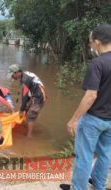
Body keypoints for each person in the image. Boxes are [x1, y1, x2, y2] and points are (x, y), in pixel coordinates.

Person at [60, 24, 111, 190]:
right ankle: (98, 186)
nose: (90, 45)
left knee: (84, 156)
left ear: (97, 41)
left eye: (90, 42)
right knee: (105, 155)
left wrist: (73, 120)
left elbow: (91, 96)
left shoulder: (97, 63)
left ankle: (78, 188)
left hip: (93, 119)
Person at [7, 64, 46, 138]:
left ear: (16, 72)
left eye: (12, 75)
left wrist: (21, 110)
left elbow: (24, 96)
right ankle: (29, 123)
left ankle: (29, 135)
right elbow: (26, 93)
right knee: (26, 109)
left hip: (38, 97)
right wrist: (24, 107)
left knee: (30, 115)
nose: (12, 77)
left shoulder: (25, 79)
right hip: (34, 94)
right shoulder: (24, 75)